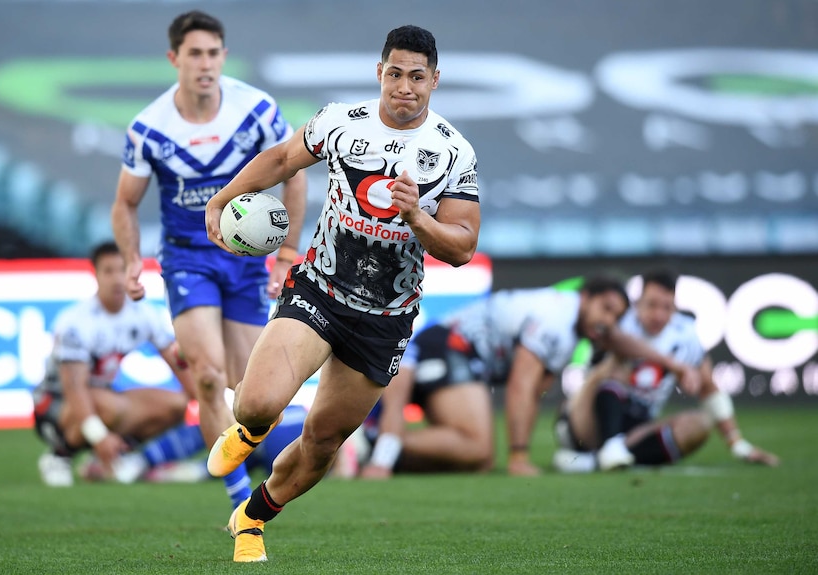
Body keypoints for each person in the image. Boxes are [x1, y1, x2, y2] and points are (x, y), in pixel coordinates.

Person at [201, 25, 480, 562]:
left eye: (417, 77)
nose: (404, 86)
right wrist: (223, 198)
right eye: (395, 73)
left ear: (435, 81)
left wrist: (417, 216)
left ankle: (253, 518)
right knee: (256, 401)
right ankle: (252, 428)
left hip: (385, 316)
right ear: (380, 73)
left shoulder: (453, 153)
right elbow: (283, 161)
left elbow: (463, 246)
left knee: (323, 442)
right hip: (320, 290)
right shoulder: (342, 122)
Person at [110, 10, 307, 510]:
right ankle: (239, 500)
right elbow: (125, 203)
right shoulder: (148, 129)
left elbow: (296, 175)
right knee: (206, 375)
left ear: (223, 56)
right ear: (174, 58)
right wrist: (132, 258)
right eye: (194, 54)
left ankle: (251, 463)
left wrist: (286, 252)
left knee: (249, 393)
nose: (205, 64)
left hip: (242, 262)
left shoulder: (256, 110)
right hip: (186, 259)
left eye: (213, 53)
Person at [358, 277, 701, 479]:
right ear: (585, 297)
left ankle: (373, 447)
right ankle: (371, 443)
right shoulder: (557, 319)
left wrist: (674, 363)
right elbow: (521, 386)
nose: (609, 322)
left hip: (453, 353)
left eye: (617, 316)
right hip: (450, 347)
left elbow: (619, 340)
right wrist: (519, 455)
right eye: (606, 308)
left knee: (479, 458)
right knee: (479, 447)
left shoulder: (573, 323)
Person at [553, 269, 780, 473]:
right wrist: (675, 365)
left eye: (667, 307)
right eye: (651, 305)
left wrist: (737, 443)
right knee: (616, 368)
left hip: (640, 425)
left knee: (700, 423)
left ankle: (595, 461)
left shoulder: (686, 334)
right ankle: (606, 448)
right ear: (638, 303)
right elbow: (620, 344)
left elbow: (708, 388)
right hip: (587, 419)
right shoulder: (620, 319)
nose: (659, 315)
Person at [33, 242, 201, 487]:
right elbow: (75, 388)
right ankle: (60, 455)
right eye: (108, 271)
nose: (116, 279)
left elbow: (178, 362)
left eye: (122, 270)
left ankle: (114, 457)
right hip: (54, 405)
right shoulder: (76, 322)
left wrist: (206, 401)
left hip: (103, 398)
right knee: (109, 406)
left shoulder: (142, 314)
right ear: (96, 274)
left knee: (176, 405)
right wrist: (100, 436)